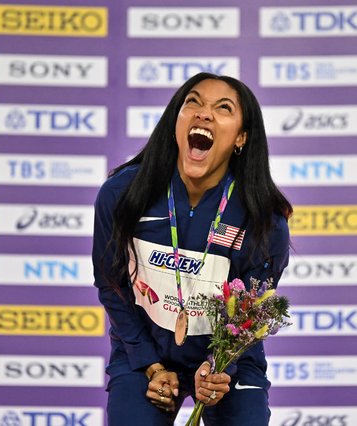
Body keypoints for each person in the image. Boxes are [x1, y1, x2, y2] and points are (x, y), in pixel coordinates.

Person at [92, 72, 292, 425]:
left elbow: (250, 315)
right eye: (193, 102)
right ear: (176, 121)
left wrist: (217, 369)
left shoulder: (264, 220)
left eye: (223, 108)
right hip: (143, 350)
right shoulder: (122, 193)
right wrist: (151, 366)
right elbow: (112, 284)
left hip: (227, 361)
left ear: (241, 138)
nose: (203, 113)